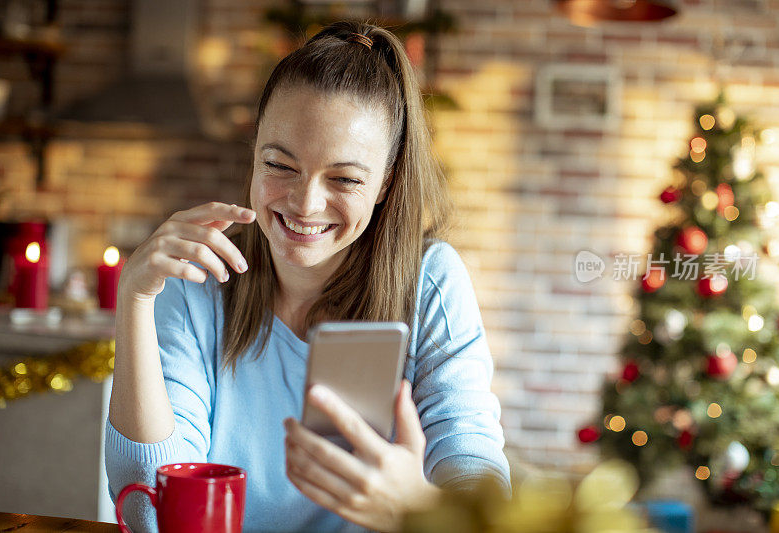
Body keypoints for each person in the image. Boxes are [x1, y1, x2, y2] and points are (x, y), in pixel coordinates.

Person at [105, 20, 510, 533]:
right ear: (254, 153)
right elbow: (148, 511)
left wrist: (417, 510)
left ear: (385, 183)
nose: (305, 204)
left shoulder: (430, 281)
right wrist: (134, 301)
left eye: (343, 178)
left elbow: (478, 485)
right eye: (280, 164)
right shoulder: (194, 277)